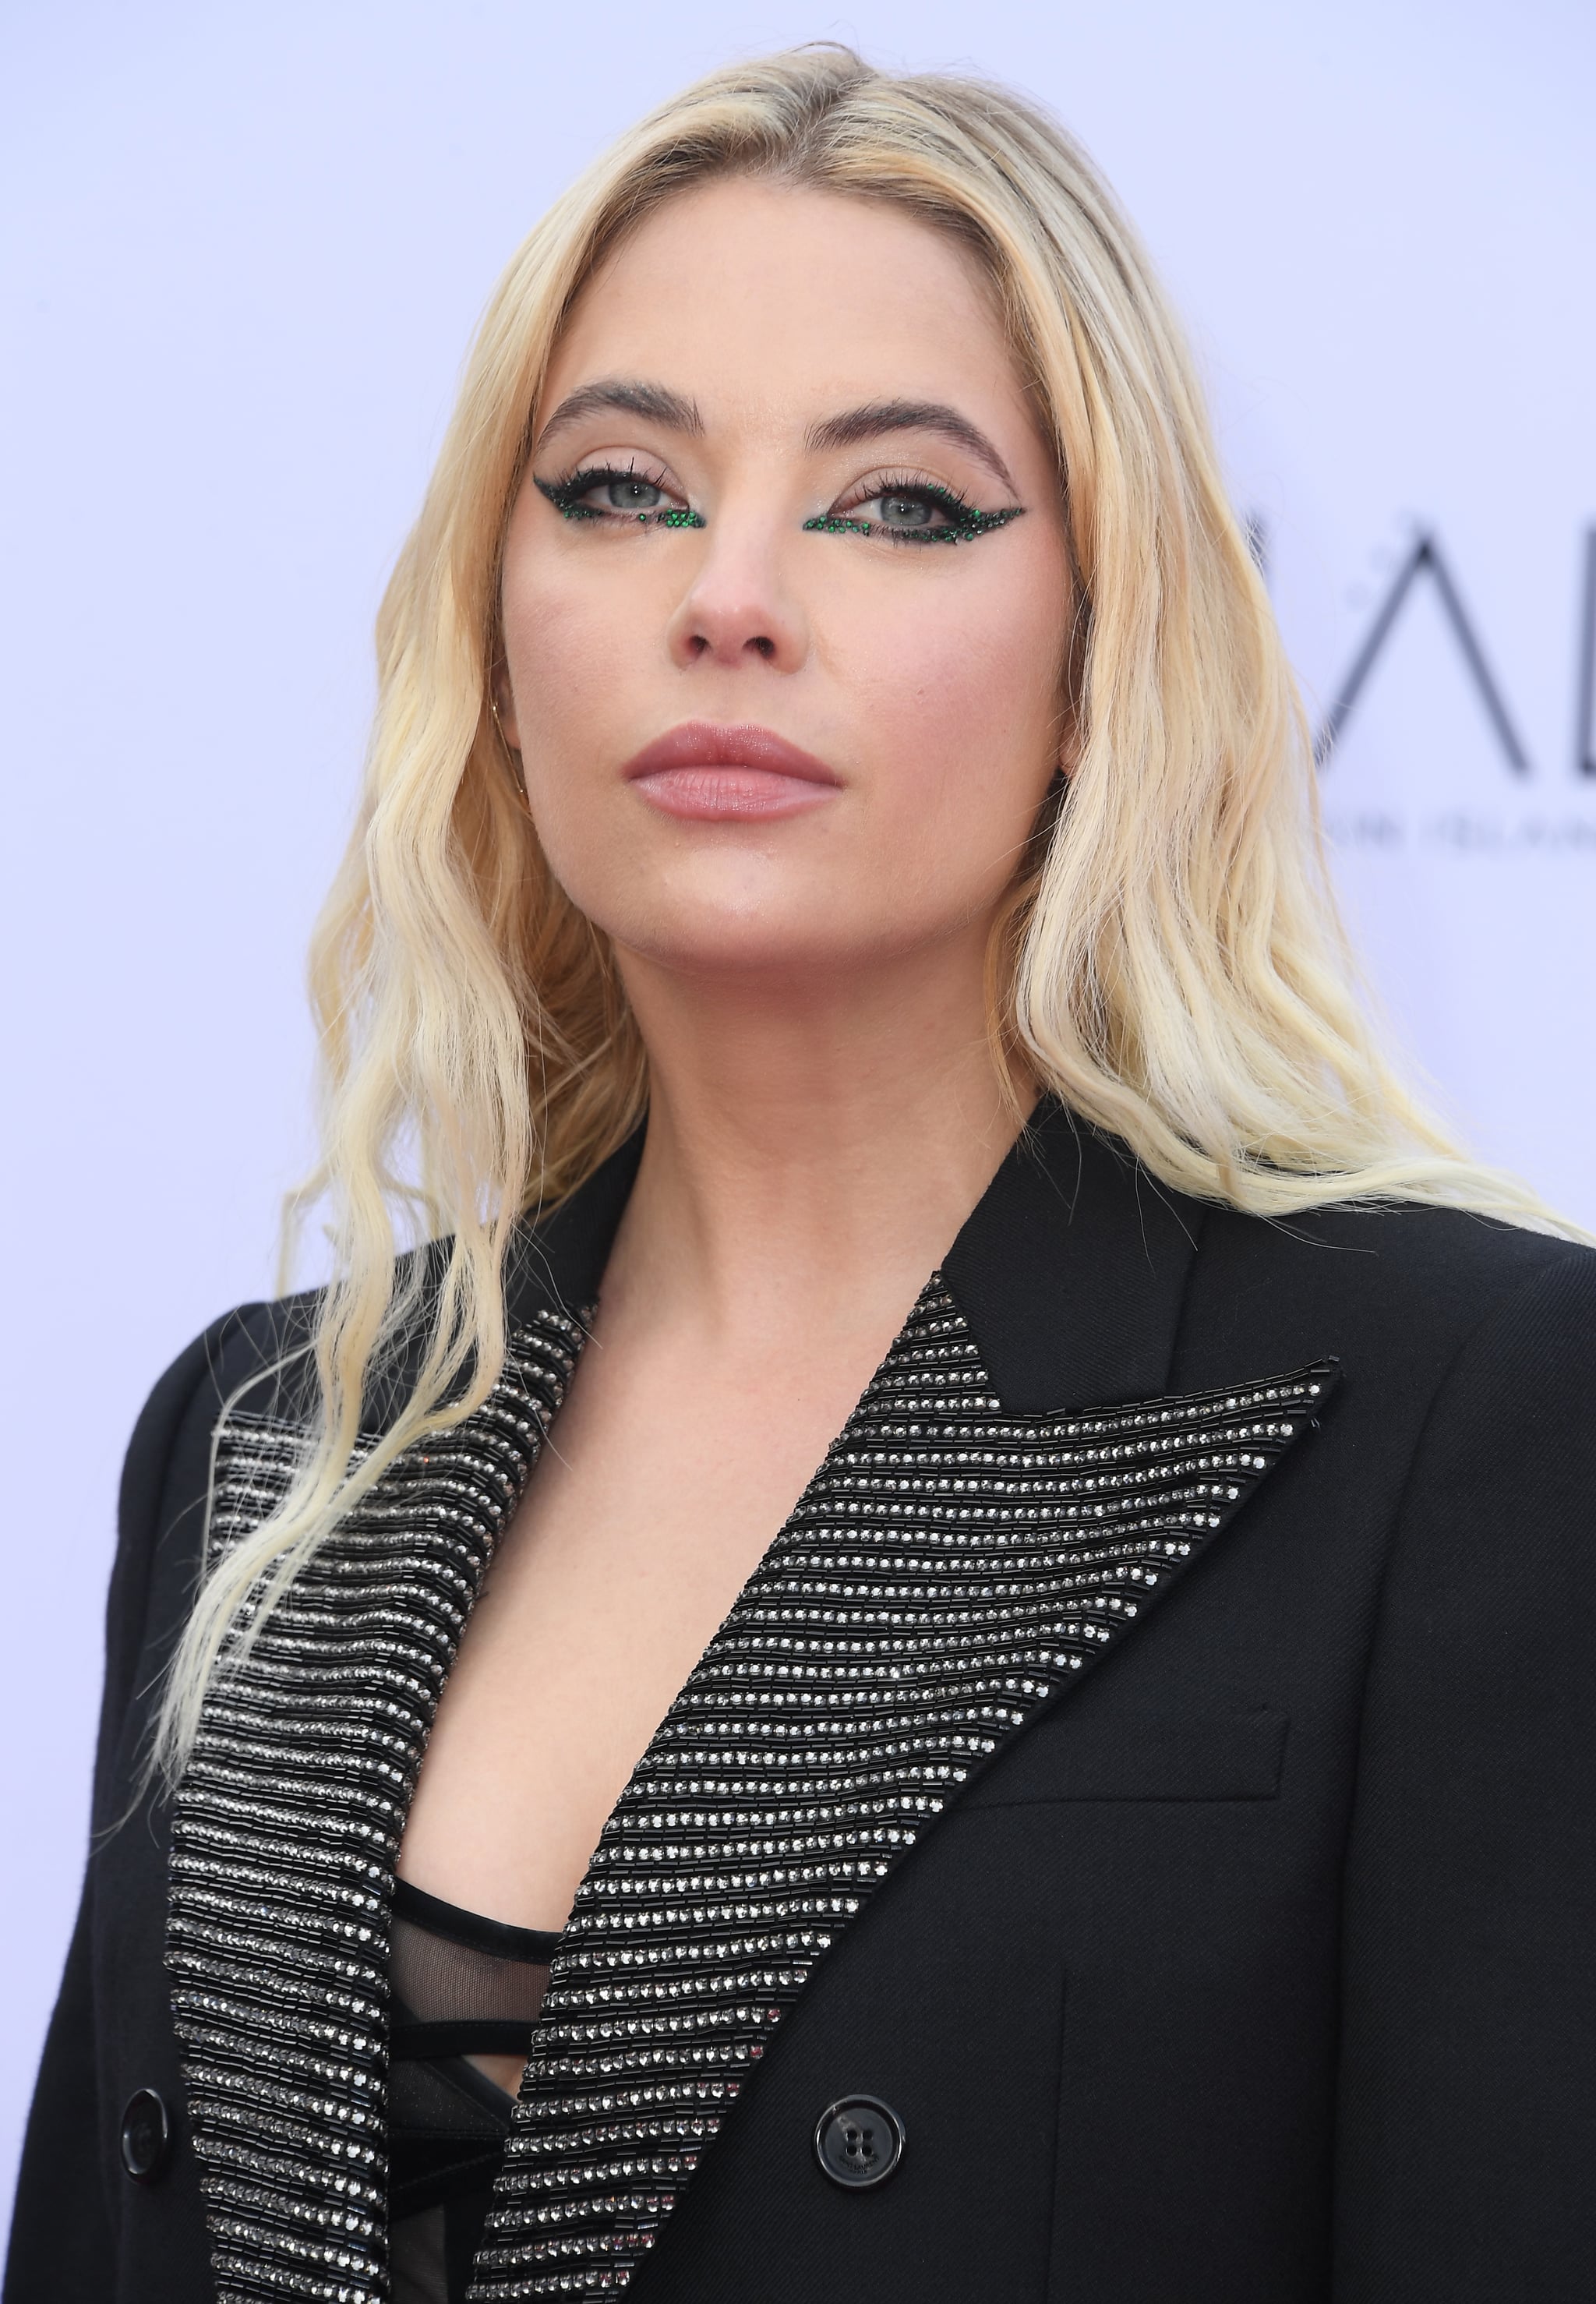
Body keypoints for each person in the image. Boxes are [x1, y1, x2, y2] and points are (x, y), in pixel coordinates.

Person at [7, 43, 1593, 2304]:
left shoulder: (1474, 1416)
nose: (730, 594)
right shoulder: (269, 1438)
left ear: (1097, 664)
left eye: (901, 505)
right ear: (497, 630)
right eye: (621, 485)